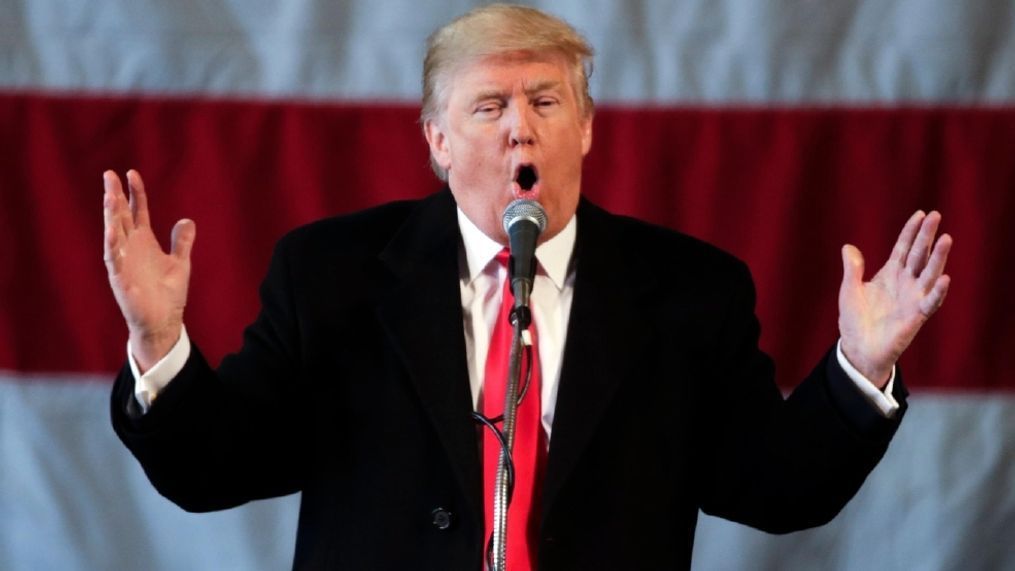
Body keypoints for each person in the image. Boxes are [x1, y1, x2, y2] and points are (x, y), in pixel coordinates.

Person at [105, 4, 952, 570]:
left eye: (545, 100)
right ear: (436, 140)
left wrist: (856, 367)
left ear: (584, 129)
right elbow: (219, 466)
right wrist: (157, 345)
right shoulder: (329, 275)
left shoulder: (690, 289)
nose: (521, 124)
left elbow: (772, 487)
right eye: (489, 106)